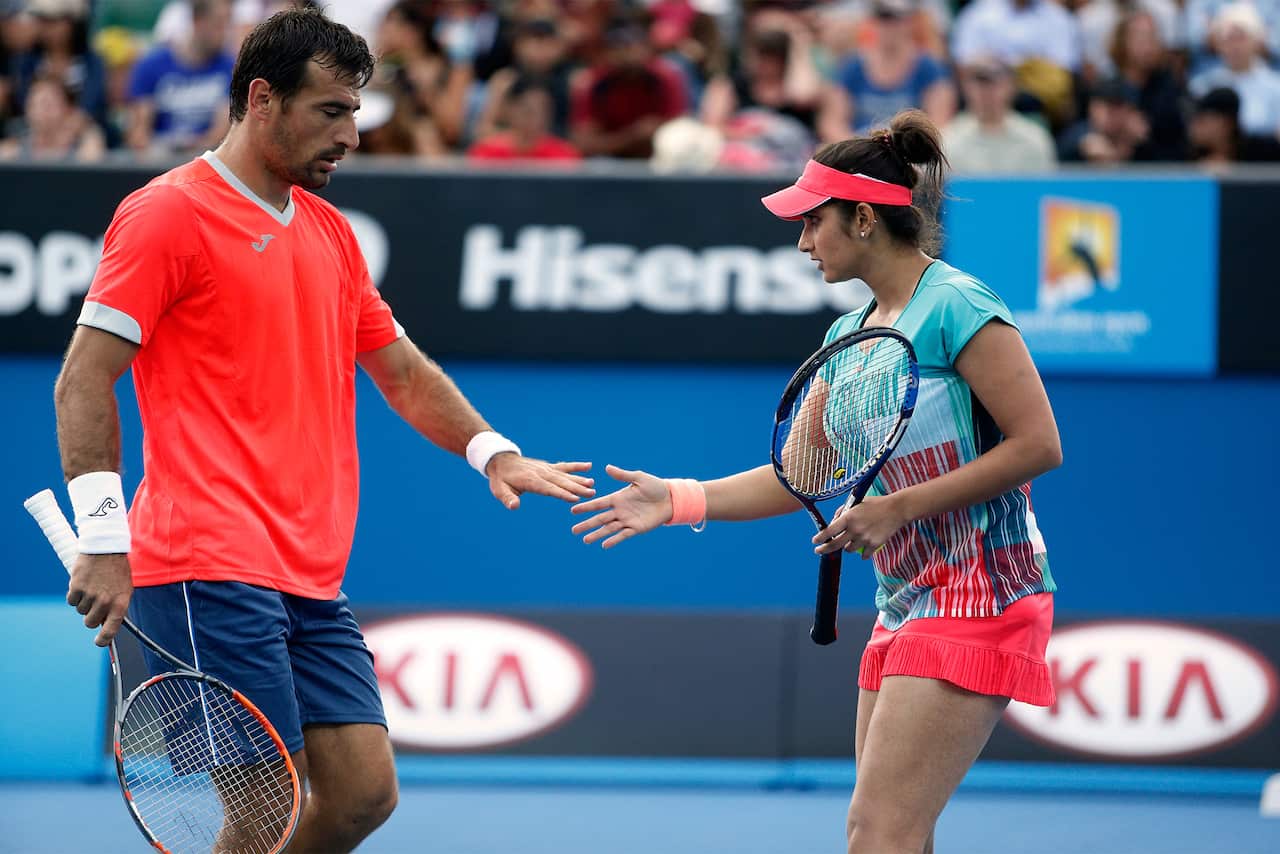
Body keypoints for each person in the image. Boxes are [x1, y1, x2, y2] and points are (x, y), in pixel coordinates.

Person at [53, 8, 593, 853]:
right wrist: (102, 537)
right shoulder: (166, 215)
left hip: (307, 570)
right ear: (262, 99)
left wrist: (493, 451)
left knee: (361, 797)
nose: (350, 135)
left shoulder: (331, 233)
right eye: (331, 111)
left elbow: (402, 372)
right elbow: (83, 379)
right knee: (264, 811)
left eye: (355, 113)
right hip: (206, 558)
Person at [571, 109, 1062, 854]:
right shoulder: (847, 335)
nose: (802, 243)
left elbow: (1038, 445)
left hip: (985, 592)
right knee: (897, 834)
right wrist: (677, 498)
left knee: (878, 832)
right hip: (906, 598)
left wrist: (896, 508)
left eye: (812, 222)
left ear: (863, 218)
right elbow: (799, 476)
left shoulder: (959, 305)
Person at [125, 0, 236, 157]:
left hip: (207, 158)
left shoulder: (230, 68)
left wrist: (194, 148)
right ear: (197, 22)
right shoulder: (152, 65)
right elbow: (139, 133)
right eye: (219, 25)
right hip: (158, 158)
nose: (225, 33)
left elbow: (222, 134)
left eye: (227, 24)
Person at [944, 54, 1057, 173]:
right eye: (979, 84)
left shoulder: (1035, 139)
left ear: (1011, 87)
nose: (987, 92)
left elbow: (1045, 181)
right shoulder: (949, 139)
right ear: (966, 89)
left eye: (994, 84)